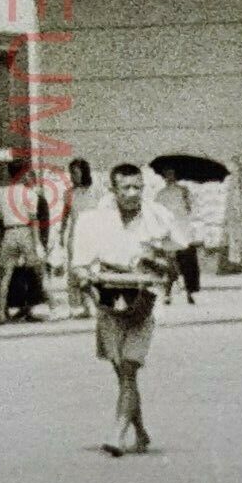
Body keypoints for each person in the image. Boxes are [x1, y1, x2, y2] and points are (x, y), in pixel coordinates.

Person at [72, 163, 177, 457]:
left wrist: (155, 261)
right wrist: (86, 281)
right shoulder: (95, 223)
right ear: (113, 190)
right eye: (126, 188)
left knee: (129, 369)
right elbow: (80, 265)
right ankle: (140, 432)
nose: (132, 193)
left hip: (143, 304)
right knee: (123, 374)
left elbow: (172, 268)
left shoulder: (157, 220)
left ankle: (117, 433)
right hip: (109, 301)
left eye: (137, 187)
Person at [0, 164, 47, 324]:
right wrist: (37, 244)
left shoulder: (1, 194)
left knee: (6, 276)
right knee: (35, 270)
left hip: (9, 232)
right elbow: (34, 219)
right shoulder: (29, 194)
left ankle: (1, 312)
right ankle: (38, 307)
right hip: (25, 231)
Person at [60, 159, 99, 318]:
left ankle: (96, 304)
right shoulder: (69, 193)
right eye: (71, 173)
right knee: (75, 271)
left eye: (75, 173)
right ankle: (81, 305)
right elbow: (65, 215)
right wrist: (61, 233)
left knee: (93, 270)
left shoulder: (94, 191)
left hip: (93, 234)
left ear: (84, 172)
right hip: (75, 236)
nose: (72, 177)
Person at [154, 168, 199, 305]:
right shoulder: (165, 194)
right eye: (168, 174)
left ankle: (177, 293)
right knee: (182, 265)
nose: (170, 177)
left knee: (174, 266)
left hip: (177, 233)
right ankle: (183, 293)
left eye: (171, 174)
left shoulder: (178, 192)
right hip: (177, 234)